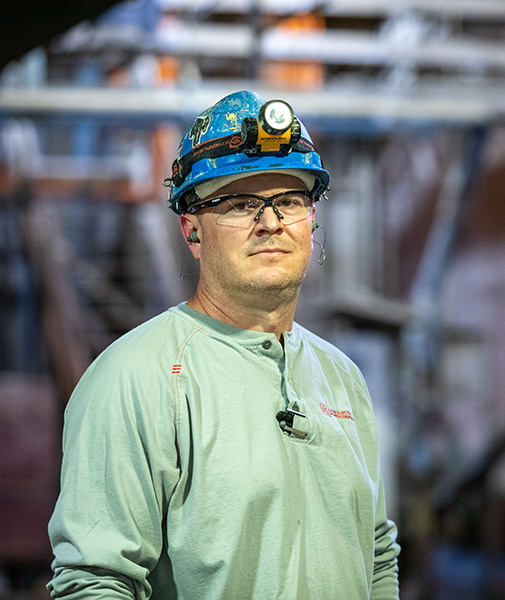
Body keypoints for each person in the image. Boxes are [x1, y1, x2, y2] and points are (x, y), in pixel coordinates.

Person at [47, 90, 401, 599]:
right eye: (240, 204)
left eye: (291, 201)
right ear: (192, 231)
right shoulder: (136, 377)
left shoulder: (342, 377)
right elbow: (96, 583)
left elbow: (376, 555)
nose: (271, 221)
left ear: (312, 220)